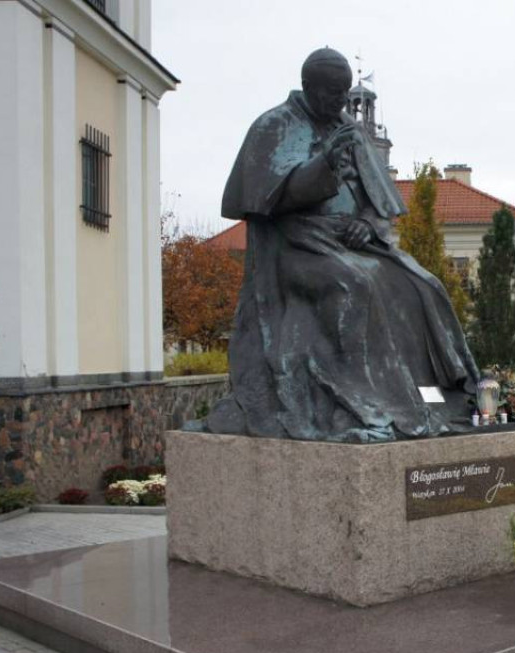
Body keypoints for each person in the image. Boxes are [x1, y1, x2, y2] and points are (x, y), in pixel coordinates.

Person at [205, 48, 479, 443]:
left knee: (424, 285)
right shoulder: (273, 125)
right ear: (308, 88)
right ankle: (362, 401)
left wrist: (367, 224)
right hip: (295, 246)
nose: (339, 101)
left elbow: (378, 204)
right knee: (356, 283)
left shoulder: (348, 127)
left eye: (344, 92)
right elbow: (269, 200)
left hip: (353, 242)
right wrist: (324, 163)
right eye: (332, 92)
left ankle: (436, 399)